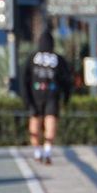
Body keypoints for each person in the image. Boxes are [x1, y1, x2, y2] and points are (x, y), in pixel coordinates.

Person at [21, 29, 73, 165]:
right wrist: (66, 98)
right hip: (52, 96)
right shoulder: (58, 59)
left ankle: (38, 152)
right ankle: (47, 151)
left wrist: (26, 99)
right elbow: (67, 81)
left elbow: (24, 80)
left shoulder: (31, 58)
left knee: (35, 125)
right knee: (50, 123)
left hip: (35, 96)